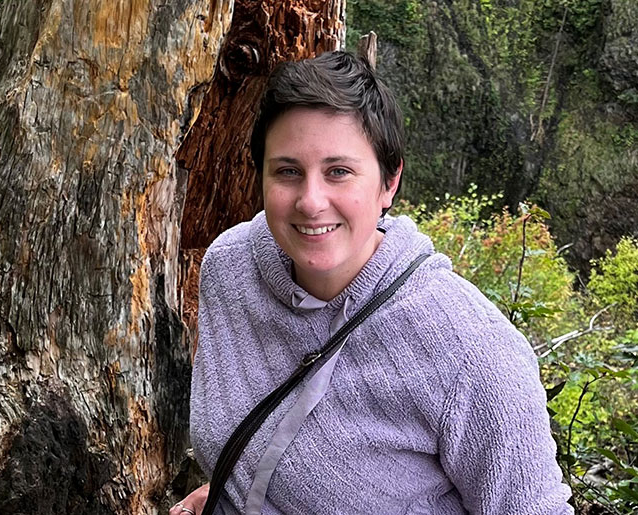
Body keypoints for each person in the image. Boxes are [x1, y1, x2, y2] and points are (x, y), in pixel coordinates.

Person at [170, 51, 573, 515]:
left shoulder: (470, 352)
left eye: (338, 171)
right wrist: (229, 492)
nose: (310, 200)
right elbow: (265, 443)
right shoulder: (231, 269)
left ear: (389, 181)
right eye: (288, 171)